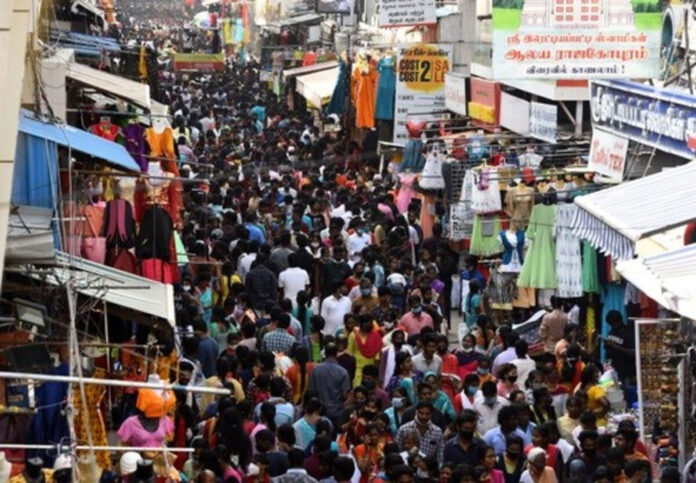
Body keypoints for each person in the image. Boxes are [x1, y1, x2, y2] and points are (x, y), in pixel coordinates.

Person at [307, 342, 351, 427]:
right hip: (336, 412)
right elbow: (345, 395)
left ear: (325, 354)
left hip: (318, 412)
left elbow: (311, 390)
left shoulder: (316, 369)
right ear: (337, 354)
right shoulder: (343, 372)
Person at [347, 313, 382, 386]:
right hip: (358, 369)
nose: (369, 325)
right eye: (367, 323)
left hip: (371, 369)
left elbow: (377, 354)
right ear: (361, 324)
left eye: (371, 323)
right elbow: (349, 353)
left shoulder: (375, 335)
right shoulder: (353, 335)